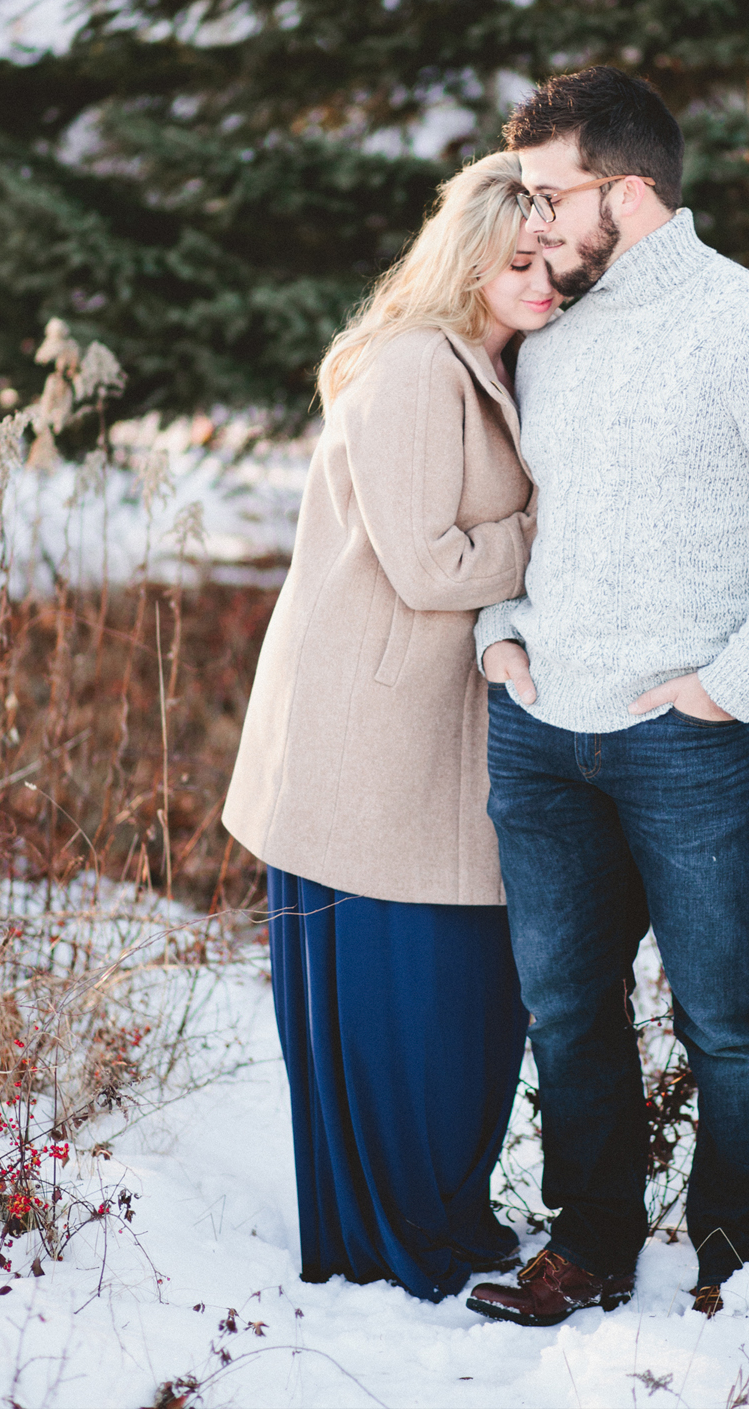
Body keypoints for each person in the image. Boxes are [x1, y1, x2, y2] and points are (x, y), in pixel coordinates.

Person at [461, 67, 749, 1326]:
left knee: (730, 1017)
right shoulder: (549, 325)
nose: (531, 223)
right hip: (541, 731)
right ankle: (587, 1240)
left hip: (696, 742)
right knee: (563, 1006)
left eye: (550, 194)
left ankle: (743, 1269)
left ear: (628, 191)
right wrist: (499, 639)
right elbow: (513, 507)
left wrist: (728, 686)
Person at [221, 152, 560, 1301]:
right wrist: (551, 529)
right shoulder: (420, 368)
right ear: (467, 259)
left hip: (434, 727)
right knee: (409, 993)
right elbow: (427, 565)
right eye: (519, 261)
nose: (545, 281)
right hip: (372, 732)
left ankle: (435, 1208)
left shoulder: (489, 362)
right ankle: (393, 1233)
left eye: (556, 260)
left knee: (464, 992)